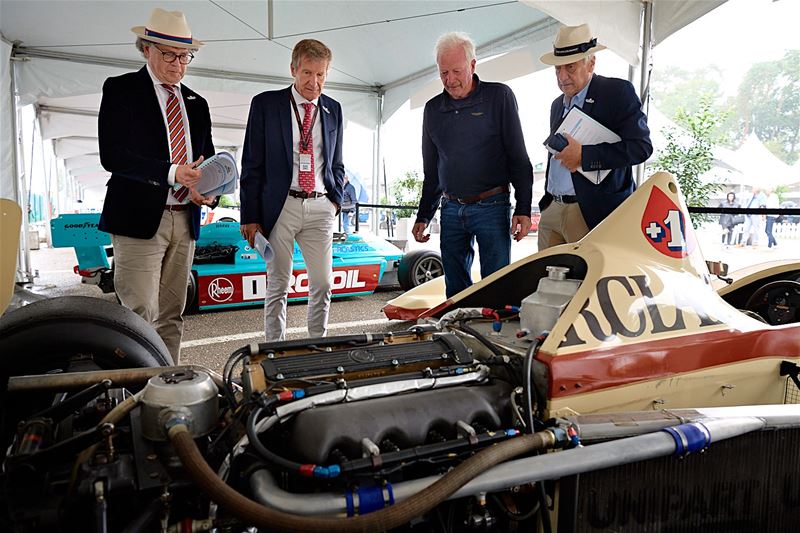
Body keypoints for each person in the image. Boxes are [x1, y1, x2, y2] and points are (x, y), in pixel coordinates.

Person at [98, 8, 216, 362]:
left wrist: (207, 187)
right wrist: (171, 173)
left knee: (172, 314)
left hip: (186, 218)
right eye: (169, 54)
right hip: (138, 218)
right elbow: (113, 156)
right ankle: (132, 392)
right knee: (138, 314)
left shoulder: (198, 104)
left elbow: (204, 160)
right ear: (146, 48)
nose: (178, 64)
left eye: (185, 56)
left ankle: (168, 384)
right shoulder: (121, 89)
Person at [412, 32, 533, 298]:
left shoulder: (499, 96)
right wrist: (424, 215)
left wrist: (524, 207)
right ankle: (458, 334)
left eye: (457, 71)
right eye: (443, 72)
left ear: (473, 65)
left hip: (492, 205)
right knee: (455, 288)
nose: (450, 79)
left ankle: (492, 334)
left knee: (497, 285)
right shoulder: (432, 109)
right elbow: (432, 170)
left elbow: (518, 156)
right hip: (451, 208)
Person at [240, 39, 344, 341]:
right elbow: (251, 163)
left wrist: (335, 201)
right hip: (280, 205)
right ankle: (275, 349)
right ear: (293, 70)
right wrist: (250, 216)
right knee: (278, 284)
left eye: (321, 75)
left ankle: (316, 344)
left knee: (323, 283)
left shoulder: (333, 108)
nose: (315, 82)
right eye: (308, 73)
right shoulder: (266, 104)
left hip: (321, 205)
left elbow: (337, 161)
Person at [537, 24, 652, 251]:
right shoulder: (556, 104)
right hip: (552, 208)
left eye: (569, 67)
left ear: (591, 62)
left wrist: (584, 156)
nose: (562, 77)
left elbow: (641, 147)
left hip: (590, 212)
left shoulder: (616, 93)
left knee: (586, 281)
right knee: (545, 281)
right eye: (557, 70)